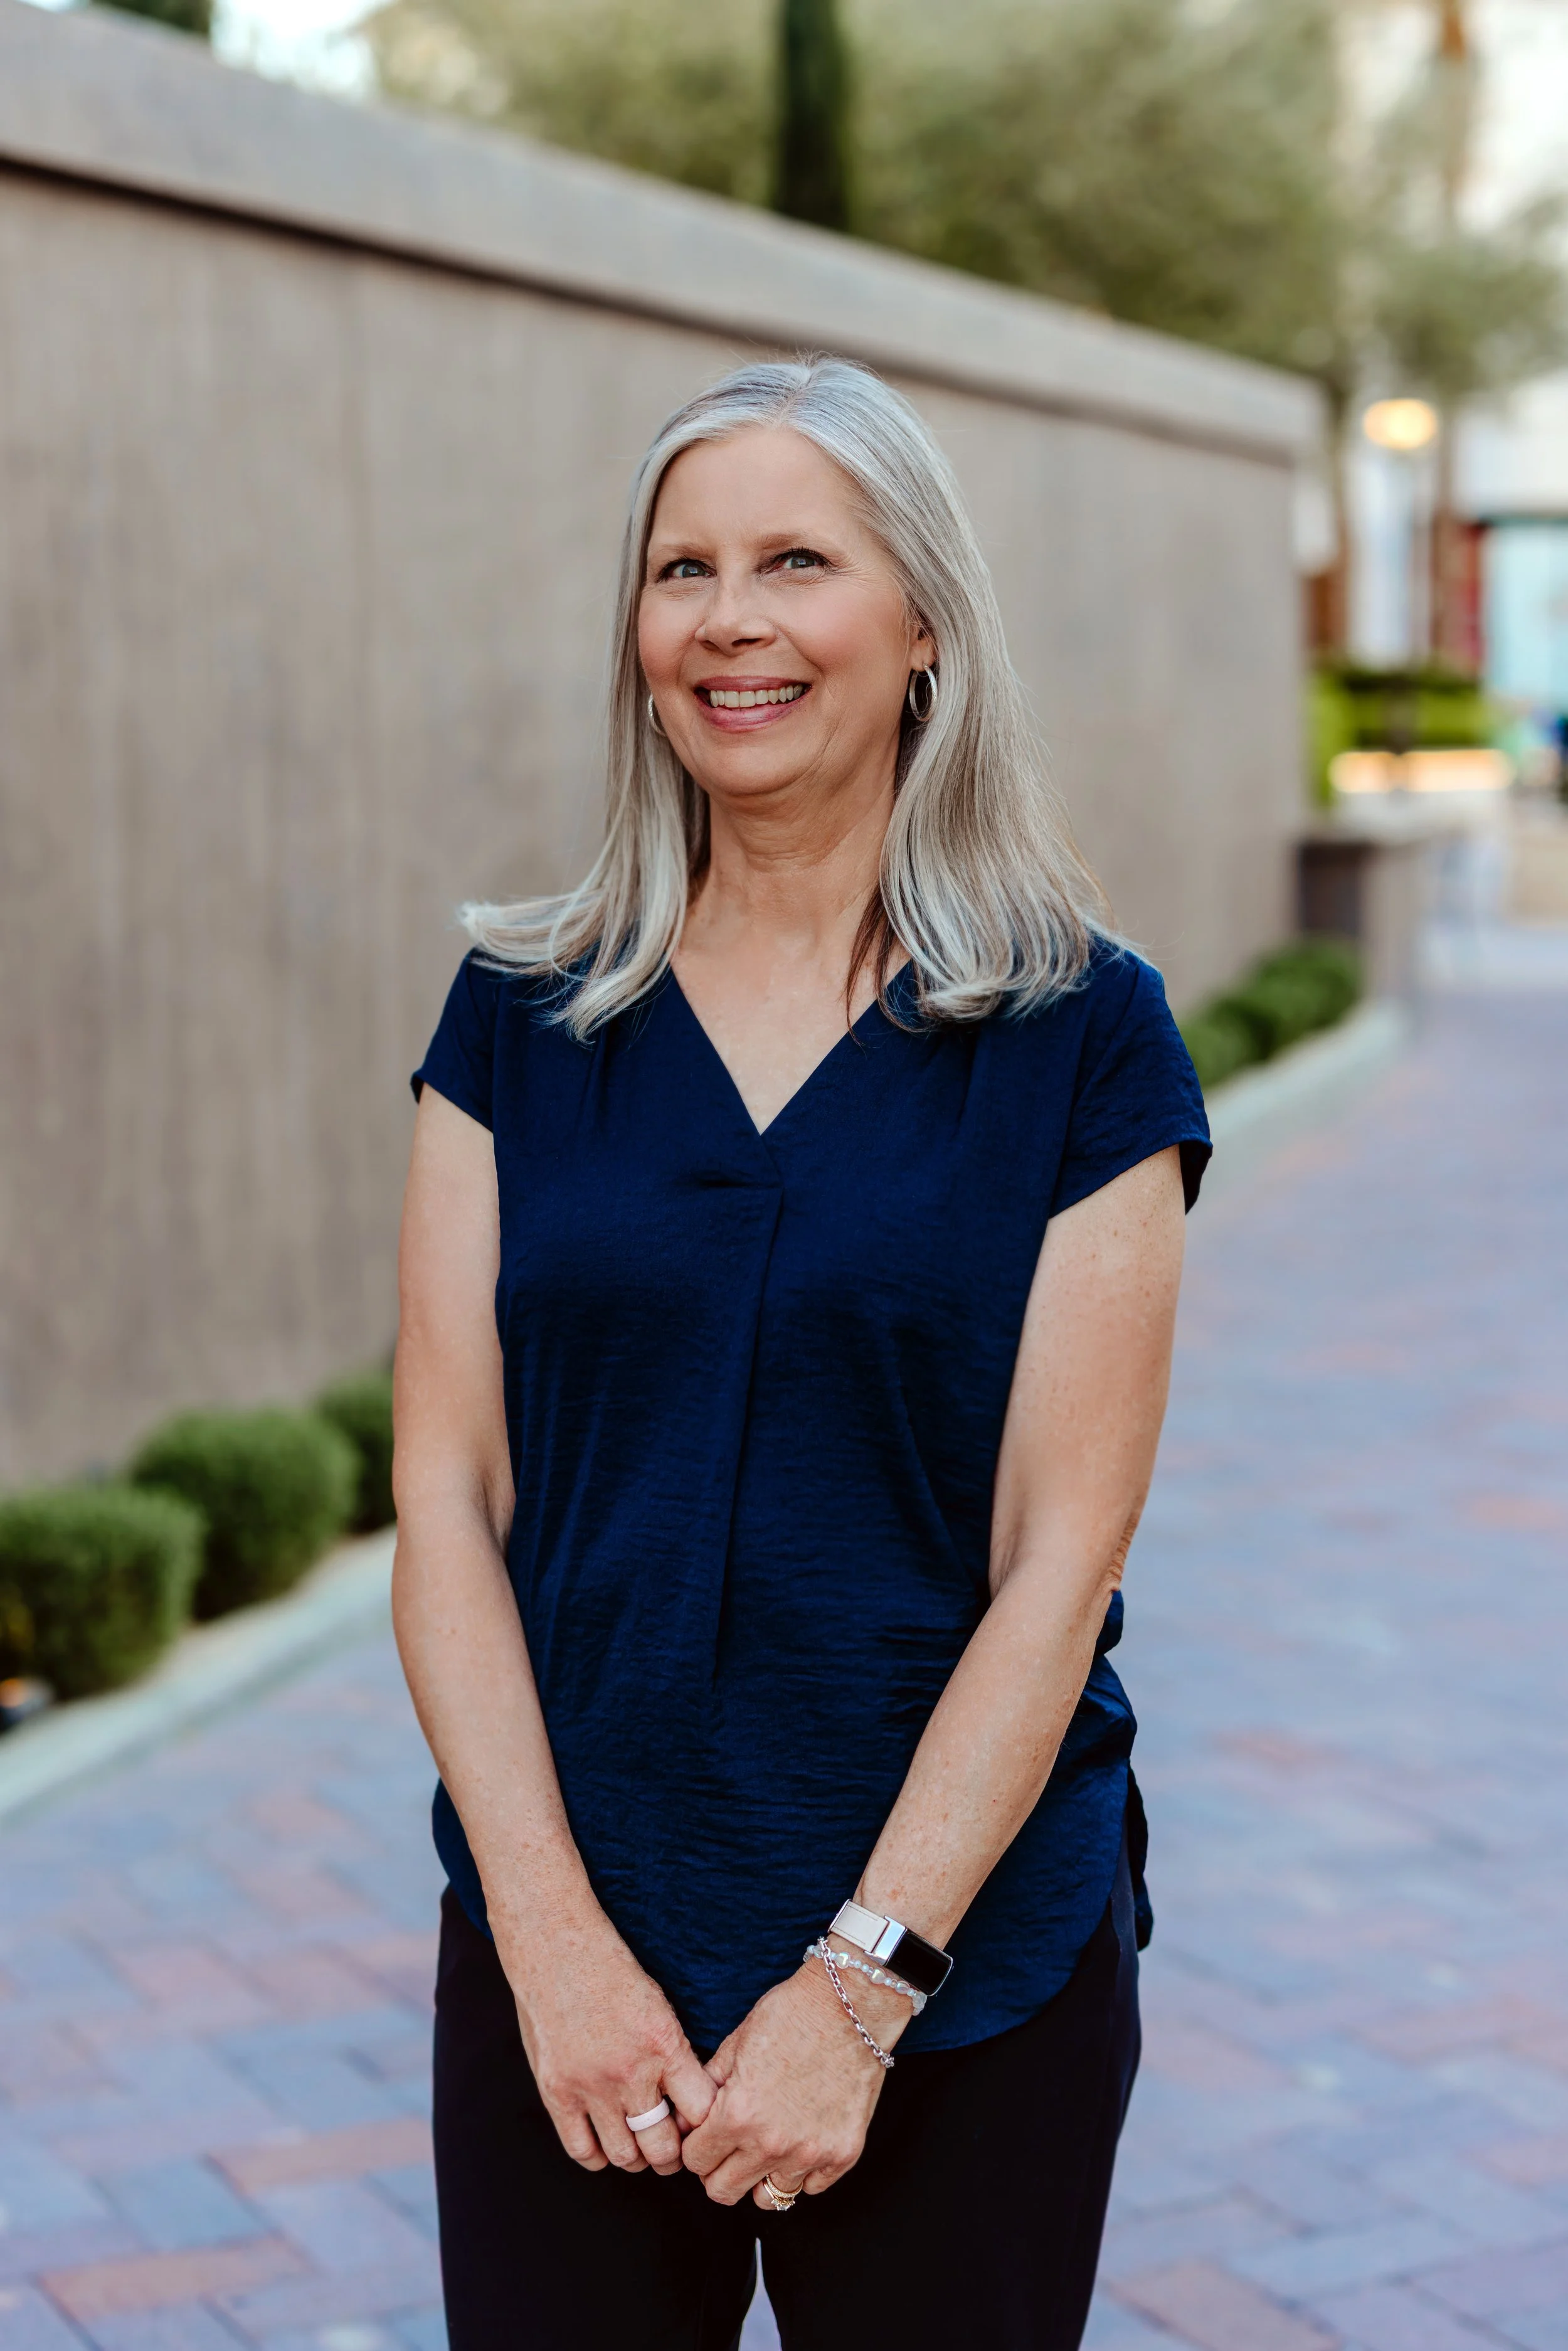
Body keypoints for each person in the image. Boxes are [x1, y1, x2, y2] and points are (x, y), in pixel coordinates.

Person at [393, 356, 1210, 2351]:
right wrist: (553, 1946)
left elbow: (1059, 1554)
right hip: (574, 1961)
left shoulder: (1078, 1038)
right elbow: (443, 1498)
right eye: (682, 569)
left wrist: (859, 1986)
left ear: (920, 622)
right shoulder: (523, 1013)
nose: (728, 619)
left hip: (964, 1969)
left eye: (793, 562)